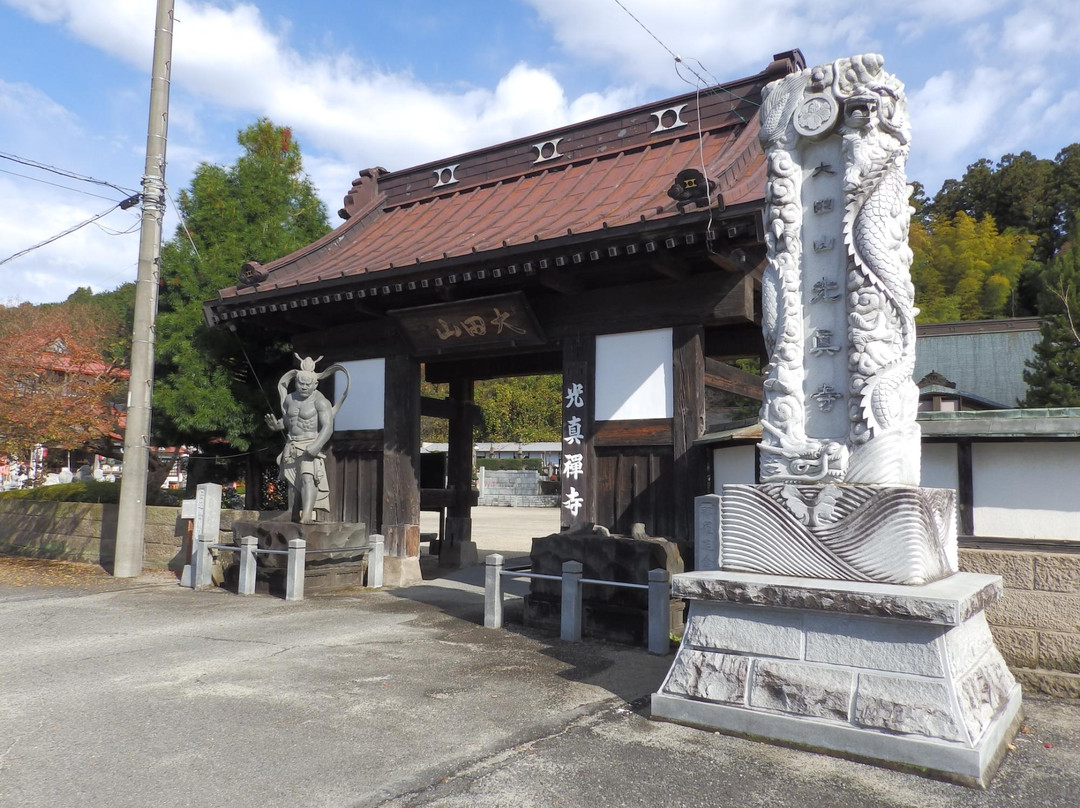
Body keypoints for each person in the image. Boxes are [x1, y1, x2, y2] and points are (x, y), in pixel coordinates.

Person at [265, 357, 336, 524]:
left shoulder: (320, 401)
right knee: (292, 481)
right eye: (300, 383)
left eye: (307, 384)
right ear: (296, 382)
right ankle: (293, 513)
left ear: (315, 385)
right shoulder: (290, 399)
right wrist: (277, 426)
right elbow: (288, 421)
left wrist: (317, 445)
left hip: (310, 443)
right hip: (292, 443)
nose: (304, 387)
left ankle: (307, 514)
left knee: (307, 477)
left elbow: (328, 427)